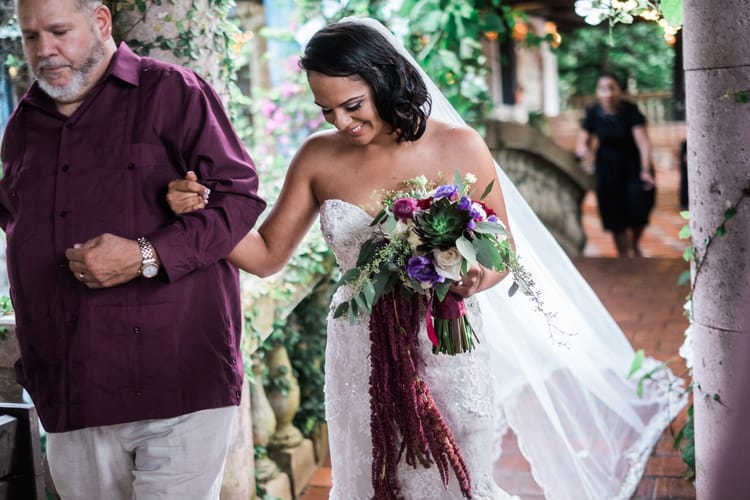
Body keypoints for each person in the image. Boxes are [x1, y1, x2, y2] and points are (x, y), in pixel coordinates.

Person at [169, 18, 686, 500]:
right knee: (370, 470)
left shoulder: (460, 145)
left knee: (457, 469)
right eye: (326, 110)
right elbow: (264, 257)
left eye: (352, 104)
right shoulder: (316, 158)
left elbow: (502, 247)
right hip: (358, 347)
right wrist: (202, 214)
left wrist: (477, 276)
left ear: (384, 79)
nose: (342, 122)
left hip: (446, 339)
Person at [0, 1, 266, 499]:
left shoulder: (174, 92)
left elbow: (240, 200)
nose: (44, 50)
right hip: (70, 390)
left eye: (59, 31)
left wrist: (147, 254)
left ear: (101, 22)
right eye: (31, 37)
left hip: (176, 383)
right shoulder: (23, 124)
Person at [576, 71, 656, 257]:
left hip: (634, 164)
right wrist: (584, 155)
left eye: (612, 88)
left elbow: (643, 143)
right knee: (613, 211)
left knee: (639, 205)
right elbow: (581, 142)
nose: (608, 93)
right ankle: (624, 254)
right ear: (598, 92)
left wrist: (646, 170)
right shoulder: (593, 112)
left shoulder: (630, 110)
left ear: (619, 90)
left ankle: (634, 244)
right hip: (607, 167)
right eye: (603, 89)